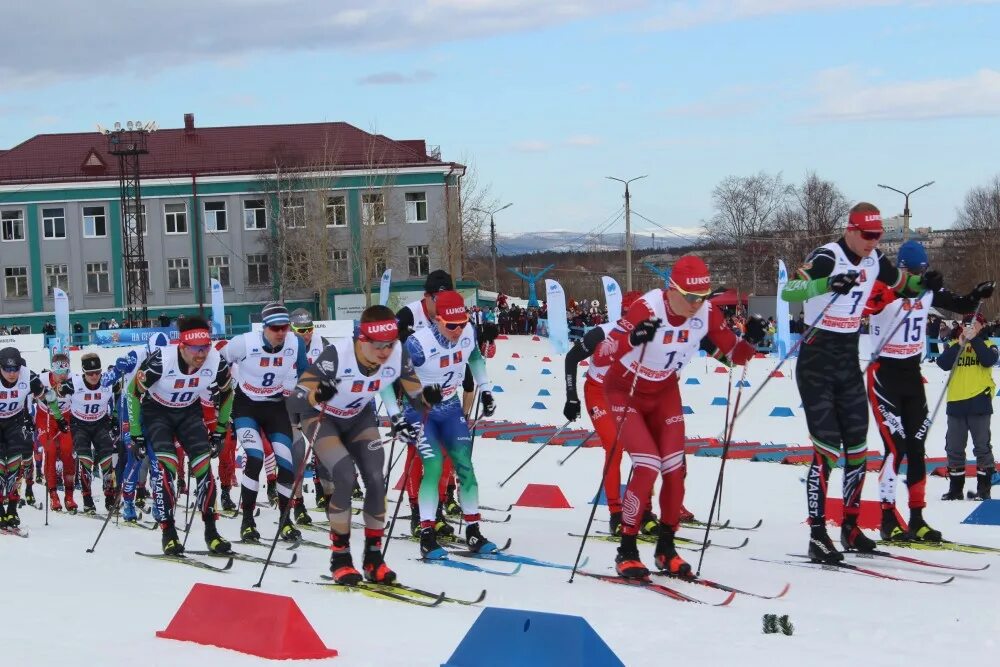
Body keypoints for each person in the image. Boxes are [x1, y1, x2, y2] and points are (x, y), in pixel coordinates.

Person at [591, 256, 764, 578]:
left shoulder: (707, 313)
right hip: (624, 390)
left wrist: (752, 339)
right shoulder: (647, 307)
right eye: (690, 297)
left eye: (702, 296)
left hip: (664, 393)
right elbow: (603, 352)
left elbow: (735, 355)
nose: (697, 304)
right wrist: (632, 338)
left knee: (674, 467)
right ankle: (626, 549)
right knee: (647, 464)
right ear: (671, 290)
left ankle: (666, 549)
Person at [781, 203, 934, 564]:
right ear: (850, 230)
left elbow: (904, 285)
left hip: (849, 357)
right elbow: (790, 292)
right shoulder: (827, 256)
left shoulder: (875, 259)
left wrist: (926, 282)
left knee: (858, 448)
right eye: (867, 235)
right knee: (827, 448)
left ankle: (849, 527)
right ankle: (818, 534)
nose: (872, 241)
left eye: (877, 235)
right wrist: (827, 283)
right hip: (817, 359)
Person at [864, 240, 992, 541]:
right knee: (896, 447)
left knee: (918, 447)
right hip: (884, 374)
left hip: (911, 375)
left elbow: (961, 304)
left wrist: (977, 295)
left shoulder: (927, 289)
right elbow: (870, 304)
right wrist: (909, 285)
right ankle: (886, 517)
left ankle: (917, 518)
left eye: (924, 269)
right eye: (916, 270)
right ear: (903, 268)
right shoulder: (883, 285)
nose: (921, 274)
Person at [286, 305, 404, 584]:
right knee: (344, 475)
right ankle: (340, 557)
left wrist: (400, 417)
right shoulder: (335, 354)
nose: (385, 351)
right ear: (363, 340)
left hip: (359, 418)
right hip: (321, 418)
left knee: (376, 479)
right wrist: (317, 394)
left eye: (390, 344)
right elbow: (296, 399)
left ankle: (374, 559)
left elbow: (393, 384)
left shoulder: (391, 356)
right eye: (379, 345)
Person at [393, 290, 498, 560]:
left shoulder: (467, 332)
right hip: (422, 410)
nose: (458, 330)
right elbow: (399, 375)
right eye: (452, 325)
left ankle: (473, 530)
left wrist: (485, 389)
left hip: (450, 407)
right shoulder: (418, 343)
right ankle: (426, 532)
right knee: (433, 466)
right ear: (436, 320)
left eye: (462, 323)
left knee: (465, 467)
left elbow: (474, 357)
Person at [127, 316, 234, 555]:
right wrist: (136, 434)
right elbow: (132, 392)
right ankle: (169, 533)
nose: (202, 355)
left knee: (204, 468)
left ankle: (211, 532)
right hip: (158, 413)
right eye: (196, 349)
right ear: (182, 347)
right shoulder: (160, 361)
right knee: (167, 469)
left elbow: (228, 393)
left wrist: (220, 429)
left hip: (188, 412)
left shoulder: (216, 361)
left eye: (205, 347)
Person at [563, 290, 666, 536]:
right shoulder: (603, 333)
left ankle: (645, 512)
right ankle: (616, 514)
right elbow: (571, 357)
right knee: (614, 447)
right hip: (598, 393)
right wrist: (571, 397)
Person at [220, 303, 307, 543]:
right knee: (256, 457)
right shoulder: (244, 342)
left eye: (285, 327)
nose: (281, 333)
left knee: (286, 462)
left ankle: (285, 520)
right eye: (275, 328)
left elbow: (306, 373)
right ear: (264, 327)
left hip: (276, 406)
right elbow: (219, 361)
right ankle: (248, 521)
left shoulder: (295, 343)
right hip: (247, 405)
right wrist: (221, 388)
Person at [395, 270, 461, 536]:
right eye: (438, 298)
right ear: (427, 297)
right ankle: (415, 512)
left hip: (444, 393)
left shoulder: (451, 315)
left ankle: (438, 507)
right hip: (413, 392)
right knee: (418, 452)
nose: (443, 304)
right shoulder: (409, 315)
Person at [937, 312, 999, 501]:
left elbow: (989, 360)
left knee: (982, 447)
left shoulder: (989, 344)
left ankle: (983, 489)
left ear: (982, 326)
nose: (969, 327)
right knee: (954, 448)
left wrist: (975, 340)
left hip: (979, 402)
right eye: (966, 324)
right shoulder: (953, 344)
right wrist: (961, 343)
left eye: (974, 324)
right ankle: (956, 489)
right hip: (956, 402)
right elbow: (943, 363)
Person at [0, 347, 58, 527]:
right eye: (7, 369)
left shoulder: (28, 376)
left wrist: (56, 412)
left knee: (15, 467)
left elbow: (46, 397)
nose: (12, 373)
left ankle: (12, 510)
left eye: (15, 369)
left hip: (14, 422)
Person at [53, 353, 118, 513]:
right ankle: (87, 499)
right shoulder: (73, 383)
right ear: (83, 372)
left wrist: (115, 417)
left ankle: (110, 498)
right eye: (90, 373)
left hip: (100, 423)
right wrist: (59, 418)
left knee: (107, 461)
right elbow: (52, 398)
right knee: (86, 461)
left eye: (97, 372)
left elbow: (120, 396)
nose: (94, 376)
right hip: (79, 425)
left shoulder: (108, 383)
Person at [290, 308, 329, 514]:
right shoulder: (285, 344)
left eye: (309, 329)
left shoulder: (323, 344)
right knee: (296, 453)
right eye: (301, 330)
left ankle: (323, 492)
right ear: (291, 329)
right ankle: (298, 504)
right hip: (288, 404)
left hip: (311, 405)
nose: (306, 334)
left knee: (322, 448)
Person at [35, 354, 77, 512]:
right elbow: (27, 393)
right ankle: (53, 494)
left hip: (65, 417)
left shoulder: (73, 379)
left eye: (66, 370)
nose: (63, 375)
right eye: (59, 371)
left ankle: (69, 495)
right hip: (45, 417)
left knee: (67, 452)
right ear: (53, 370)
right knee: (50, 451)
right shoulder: (42, 379)